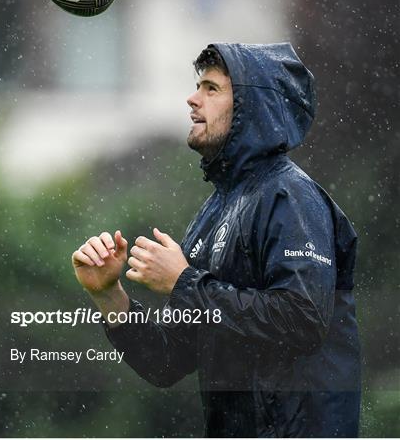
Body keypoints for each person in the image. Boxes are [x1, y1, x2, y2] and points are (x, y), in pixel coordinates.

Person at [72, 43, 361, 438]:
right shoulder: (213, 213)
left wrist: (184, 282)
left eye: (211, 89)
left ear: (251, 107)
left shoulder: (290, 196)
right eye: (197, 87)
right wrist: (109, 295)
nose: (192, 99)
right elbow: (167, 361)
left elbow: (303, 319)